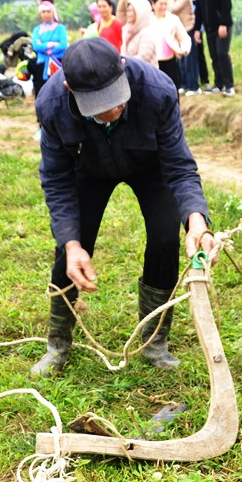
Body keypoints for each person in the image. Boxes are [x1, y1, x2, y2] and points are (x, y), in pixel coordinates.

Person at [31, 37, 215, 375]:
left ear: (123, 67)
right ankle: (58, 343)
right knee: (72, 246)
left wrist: (196, 219)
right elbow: (57, 180)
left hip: (150, 166)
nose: (114, 109)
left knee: (164, 239)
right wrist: (71, 243)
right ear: (71, 88)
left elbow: (179, 166)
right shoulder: (53, 104)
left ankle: (155, 342)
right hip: (89, 169)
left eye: (117, 98)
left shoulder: (158, 91)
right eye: (99, 104)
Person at [195, 0, 235, 96]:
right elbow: (198, 10)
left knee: (222, 54)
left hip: (222, 27)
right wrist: (197, 29)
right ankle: (219, 84)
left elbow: (226, 5)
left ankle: (229, 85)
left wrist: (223, 23)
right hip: (209, 27)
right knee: (213, 56)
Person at [172, 0, 207, 92]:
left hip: (193, 26)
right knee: (182, 58)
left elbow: (198, 9)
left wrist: (199, 27)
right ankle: (185, 83)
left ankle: (196, 84)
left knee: (194, 57)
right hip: (180, 27)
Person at [166, 0, 199, 95]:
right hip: (181, 31)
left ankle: (194, 87)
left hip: (188, 30)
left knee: (190, 61)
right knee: (182, 62)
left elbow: (172, 9)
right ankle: (185, 85)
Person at [151, 0, 190, 90]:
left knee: (172, 88)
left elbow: (184, 37)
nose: (163, 7)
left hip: (170, 60)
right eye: (161, 4)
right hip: (153, 61)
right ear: (153, 5)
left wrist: (183, 49)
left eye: (165, 4)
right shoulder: (148, 20)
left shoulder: (173, 19)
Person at [31, 0, 69, 97]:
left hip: (57, 63)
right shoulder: (37, 30)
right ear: (40, 14)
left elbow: (63, 45)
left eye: (49, 11)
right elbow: (36, 46)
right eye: (43, 12)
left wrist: (45, 47)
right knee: (42, 90)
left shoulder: (60, 28)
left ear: (53, 13)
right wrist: (52, 44)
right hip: (42, 63)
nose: (46, 14)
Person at [120, 0, 157, 67]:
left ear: (140, 12)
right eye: (127, 11)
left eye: (131, 11)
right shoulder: (127, 30)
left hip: (146, 74)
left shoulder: (147, 33)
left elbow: (143, 57)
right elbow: (123, 52)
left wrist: (125, 61)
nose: (128, 14)